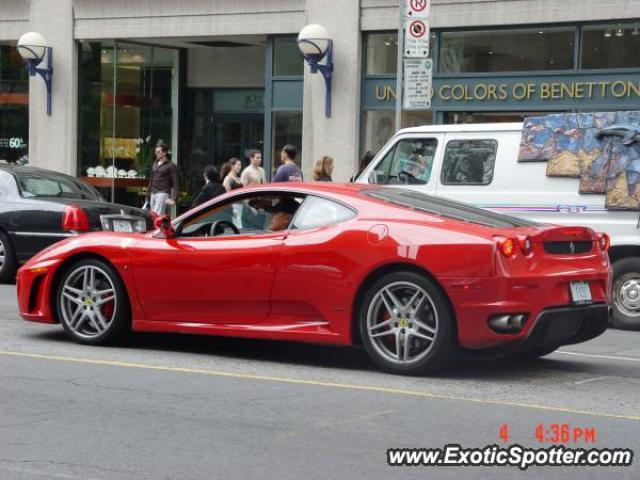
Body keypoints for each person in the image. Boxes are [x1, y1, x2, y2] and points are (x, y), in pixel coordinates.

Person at [146, 143, 179, 215]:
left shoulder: (171, 165)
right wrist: (148, 195)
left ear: (164, 153)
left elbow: (175, 182)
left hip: (162, 192)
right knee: (152, 215)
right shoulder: (155, 163)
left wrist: (174, 199)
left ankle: (157, 226)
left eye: (158, 152)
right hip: (153, 192)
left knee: (157, 215)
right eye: (155, 152)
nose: (156, 153)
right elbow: (151, 180)